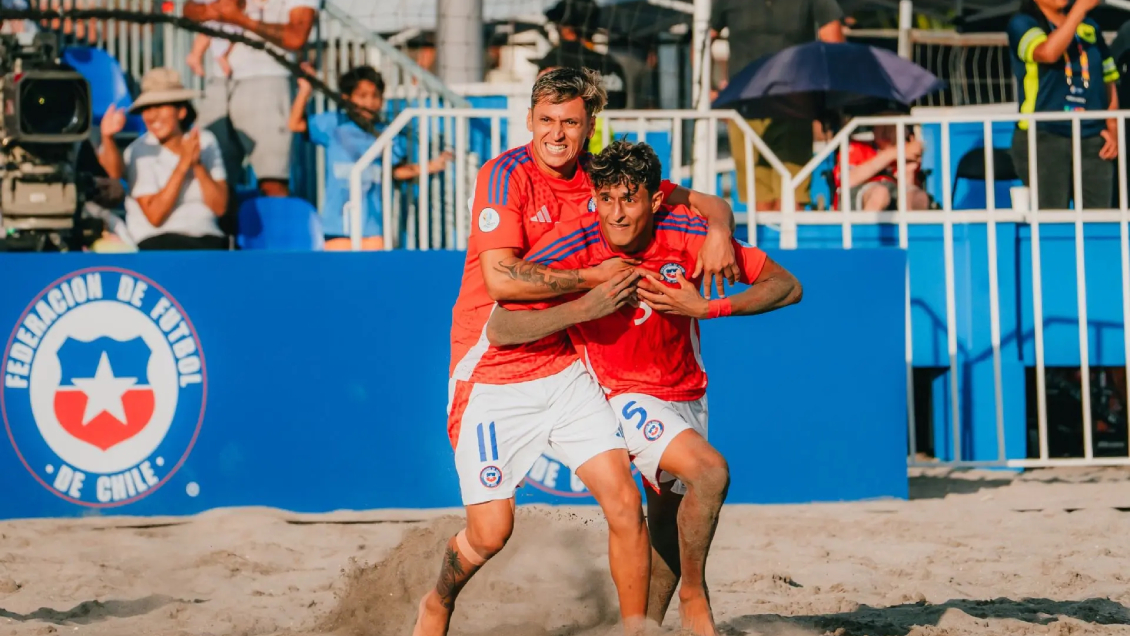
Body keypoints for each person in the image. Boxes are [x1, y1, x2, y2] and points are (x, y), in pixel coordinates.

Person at [411, 67, 741, 636]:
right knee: (491, 533)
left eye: (569, 121)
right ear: (529, 121)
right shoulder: (504, 175)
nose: (556, 133)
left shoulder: (601, 175)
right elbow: (502, 284)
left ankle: (635, 629)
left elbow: (705, 202)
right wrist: (590, 281)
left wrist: (719, 229)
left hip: (565, 367)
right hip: (492, 369)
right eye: (545, 120)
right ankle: (437, 602)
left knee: (623, 504)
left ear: (590, 125)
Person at [485, 140, 802, 636]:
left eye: (628, 200)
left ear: (654, 201)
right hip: (619, 395)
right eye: (605, 198)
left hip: (686, 393)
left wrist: (706, 307)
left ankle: (642, 629)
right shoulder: (574, 243)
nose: (615, 213)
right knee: (711, 474)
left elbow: (787, 286)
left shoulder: (688, 234)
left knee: (672, 531)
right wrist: (581, 307)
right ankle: (696, 598)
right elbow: (500, 326)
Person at [288, 63, 453, 250]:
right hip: (338, 222)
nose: (370, 102)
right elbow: (295, 124)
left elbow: (396, 171)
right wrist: (305, 91)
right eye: (362, 96)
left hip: (373, 227)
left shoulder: (386, 133)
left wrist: (431, 166)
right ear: (346, 98)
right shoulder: (334, 123)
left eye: (375, 96)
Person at [712, 0, 844, 211]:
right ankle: (763, 244)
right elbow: (702, 37)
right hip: (746, 109)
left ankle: (782, 243)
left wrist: (826, 98)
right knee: (761, 205)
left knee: (791, 199)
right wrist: (711, 91)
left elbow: (833, 40)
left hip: (794, 106)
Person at [183, 0, 319, 200]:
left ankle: (275, 229)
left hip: (269, 80)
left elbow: (296, 37)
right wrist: (212, 10)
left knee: (272, 183)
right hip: (219, 82)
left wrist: (239, 18)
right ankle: (220, 230)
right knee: (212, 177)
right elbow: (189, 9)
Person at [1007, 0, 1119, 211]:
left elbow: (1108, 79)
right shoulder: (1023, 24)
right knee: (1051, 217)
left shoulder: (1090, 27)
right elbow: (1048, 53)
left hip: (1092, 136)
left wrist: (1112, 128)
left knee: (1100, 219)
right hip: (1043, 135)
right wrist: (1079, 11)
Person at [101, 68, 229, 251]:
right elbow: (155, 216)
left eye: (160, 106)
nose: (152, 116)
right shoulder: (141, 150)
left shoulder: (205, 140)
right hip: (159, 244)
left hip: (209, 240)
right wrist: (183, 165)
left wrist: (197, 165)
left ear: (181, 111)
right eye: (147, 108)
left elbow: (220, 207)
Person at [535, 0, 626, 153]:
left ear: (565, 27)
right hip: (609, 155)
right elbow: (622, 106)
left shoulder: (553, 61)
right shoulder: (610, 63)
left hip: (571, 153)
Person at [832, 122, 931, 211]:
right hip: (857, 196)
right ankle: (867, 231)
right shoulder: (858, 147)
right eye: (881, 122)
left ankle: (912, 231)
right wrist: (892, 153)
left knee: (919, 198)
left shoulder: (907, 151)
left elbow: (908, 188)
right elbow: (847, 180)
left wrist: (909, 169)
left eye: (892, 124)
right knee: (880, 194)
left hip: (894, 193)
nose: (886, 130)